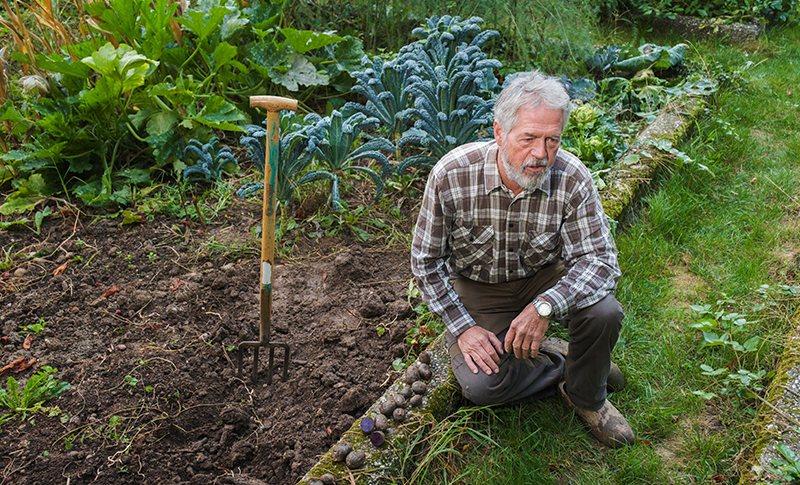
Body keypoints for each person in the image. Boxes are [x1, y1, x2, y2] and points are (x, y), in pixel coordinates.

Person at [410, 71, 635, 447]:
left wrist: (544, 307)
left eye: (552, 140)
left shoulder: (572, 177)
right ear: (499, 133)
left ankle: (587, 396)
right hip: (479, 288)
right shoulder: (452, 175)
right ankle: (572, 365)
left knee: (605, 312)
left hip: (543, 278)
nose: (541, 154)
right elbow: (425, 261)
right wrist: (463, 328)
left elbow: (600, 262)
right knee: (481, 386)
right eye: (528, 138)